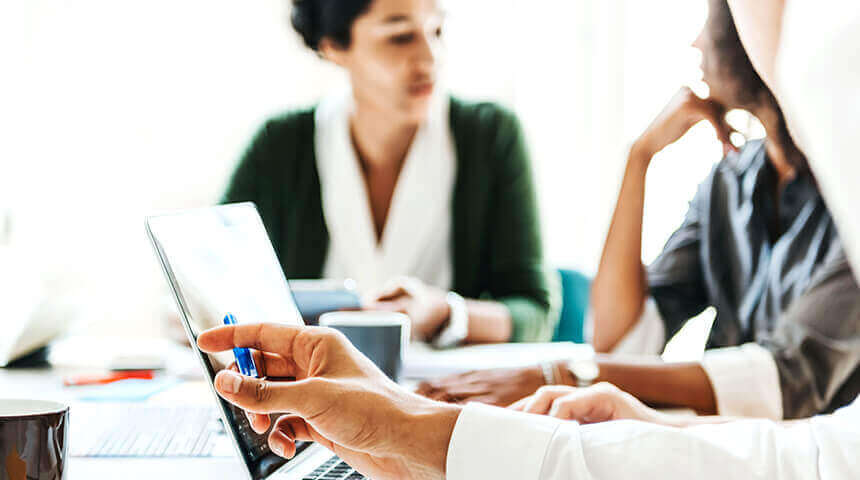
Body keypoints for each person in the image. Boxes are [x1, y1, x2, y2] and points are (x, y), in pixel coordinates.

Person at [416, 0, 860, 418]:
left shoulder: (848, 187)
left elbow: (786, 380)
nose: (697, 43)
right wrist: (638, 159)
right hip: (724, 446)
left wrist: (565, 376)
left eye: (712, 19)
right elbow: (621, 342)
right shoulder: (731, 180)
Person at [219, 0, 558, 347]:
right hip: (307, 394)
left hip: (439, 395)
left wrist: (444, 312)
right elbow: (207, 292)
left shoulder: (491, 137)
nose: (430, 58)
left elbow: (533, 311)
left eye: (436, 31)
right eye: (400, 37)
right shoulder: (279, 146)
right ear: (334, 45)